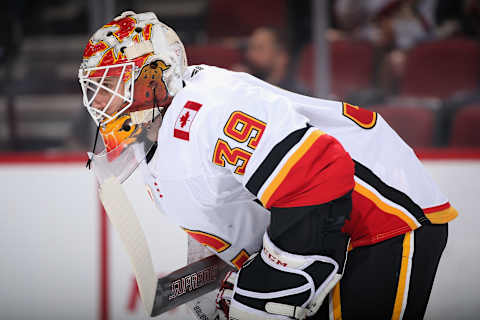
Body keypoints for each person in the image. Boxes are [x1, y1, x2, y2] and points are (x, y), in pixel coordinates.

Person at [78, 11, 458, 319]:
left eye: (113, 83)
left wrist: (272, 282)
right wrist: (211, 288)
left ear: (157, 75)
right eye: (95, 89)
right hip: (333, 232)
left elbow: (320, 170)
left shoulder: (210, 108)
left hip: (380, 216)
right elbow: (221, 217)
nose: (101, 102)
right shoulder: (155, 141)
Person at [235, 26, 311, 96]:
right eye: (250, 48)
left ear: (281, 56)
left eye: (259, 48)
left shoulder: (298, 96)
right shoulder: (249, 88)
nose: (250, 55)